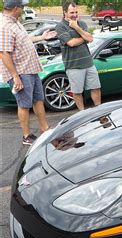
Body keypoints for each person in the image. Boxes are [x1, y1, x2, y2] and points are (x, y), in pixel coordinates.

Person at [0, 0, 56, 145]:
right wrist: (15, 77)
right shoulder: (5, 26)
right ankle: (27, 136)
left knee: (38, 99)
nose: (24, 9)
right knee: (24, 104)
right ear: (16, 8)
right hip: (20, 72)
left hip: (30, 69)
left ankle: (45, 129)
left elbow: (25, 40)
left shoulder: (15, 22)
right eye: (22, 6)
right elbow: (4, 54)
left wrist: (42, 37)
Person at [56, 1, 101, 111]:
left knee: (96, 87)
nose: (75, 14)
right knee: (77, 92)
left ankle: (99, 110)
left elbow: (90, 39)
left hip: (88, 63)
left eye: (76, 12)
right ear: (65, 12)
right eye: (72, 12)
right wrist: (84, 37)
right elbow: (71, 43)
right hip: (73, 65)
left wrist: (77, 28)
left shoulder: (82, 24)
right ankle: (82, 113)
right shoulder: (60, 27)